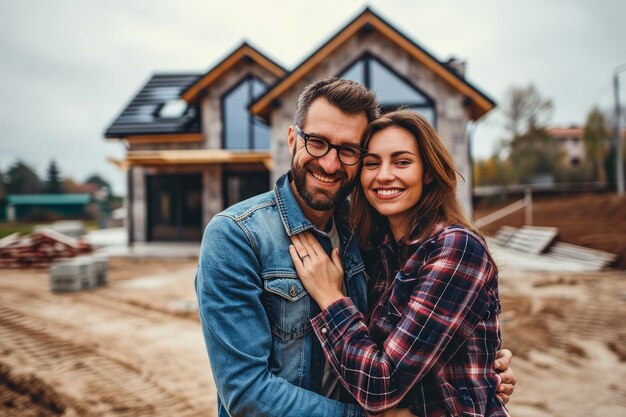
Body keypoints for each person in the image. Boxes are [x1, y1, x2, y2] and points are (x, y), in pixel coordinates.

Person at [195, 79, 515, 417]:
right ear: (292, 140)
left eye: (348, 151)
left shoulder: (367, 237)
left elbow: (399, 350)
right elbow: (246, 393)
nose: (331, 164)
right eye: (317, 143)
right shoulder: (236, 236)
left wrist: (480, 366)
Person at [289, 109, 510, 416]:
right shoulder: (379, 252)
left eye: (402, 161)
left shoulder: (456, 248)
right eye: (372, 163)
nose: (383, 175)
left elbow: (382, 385)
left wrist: (330, 297)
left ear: (428, 172)